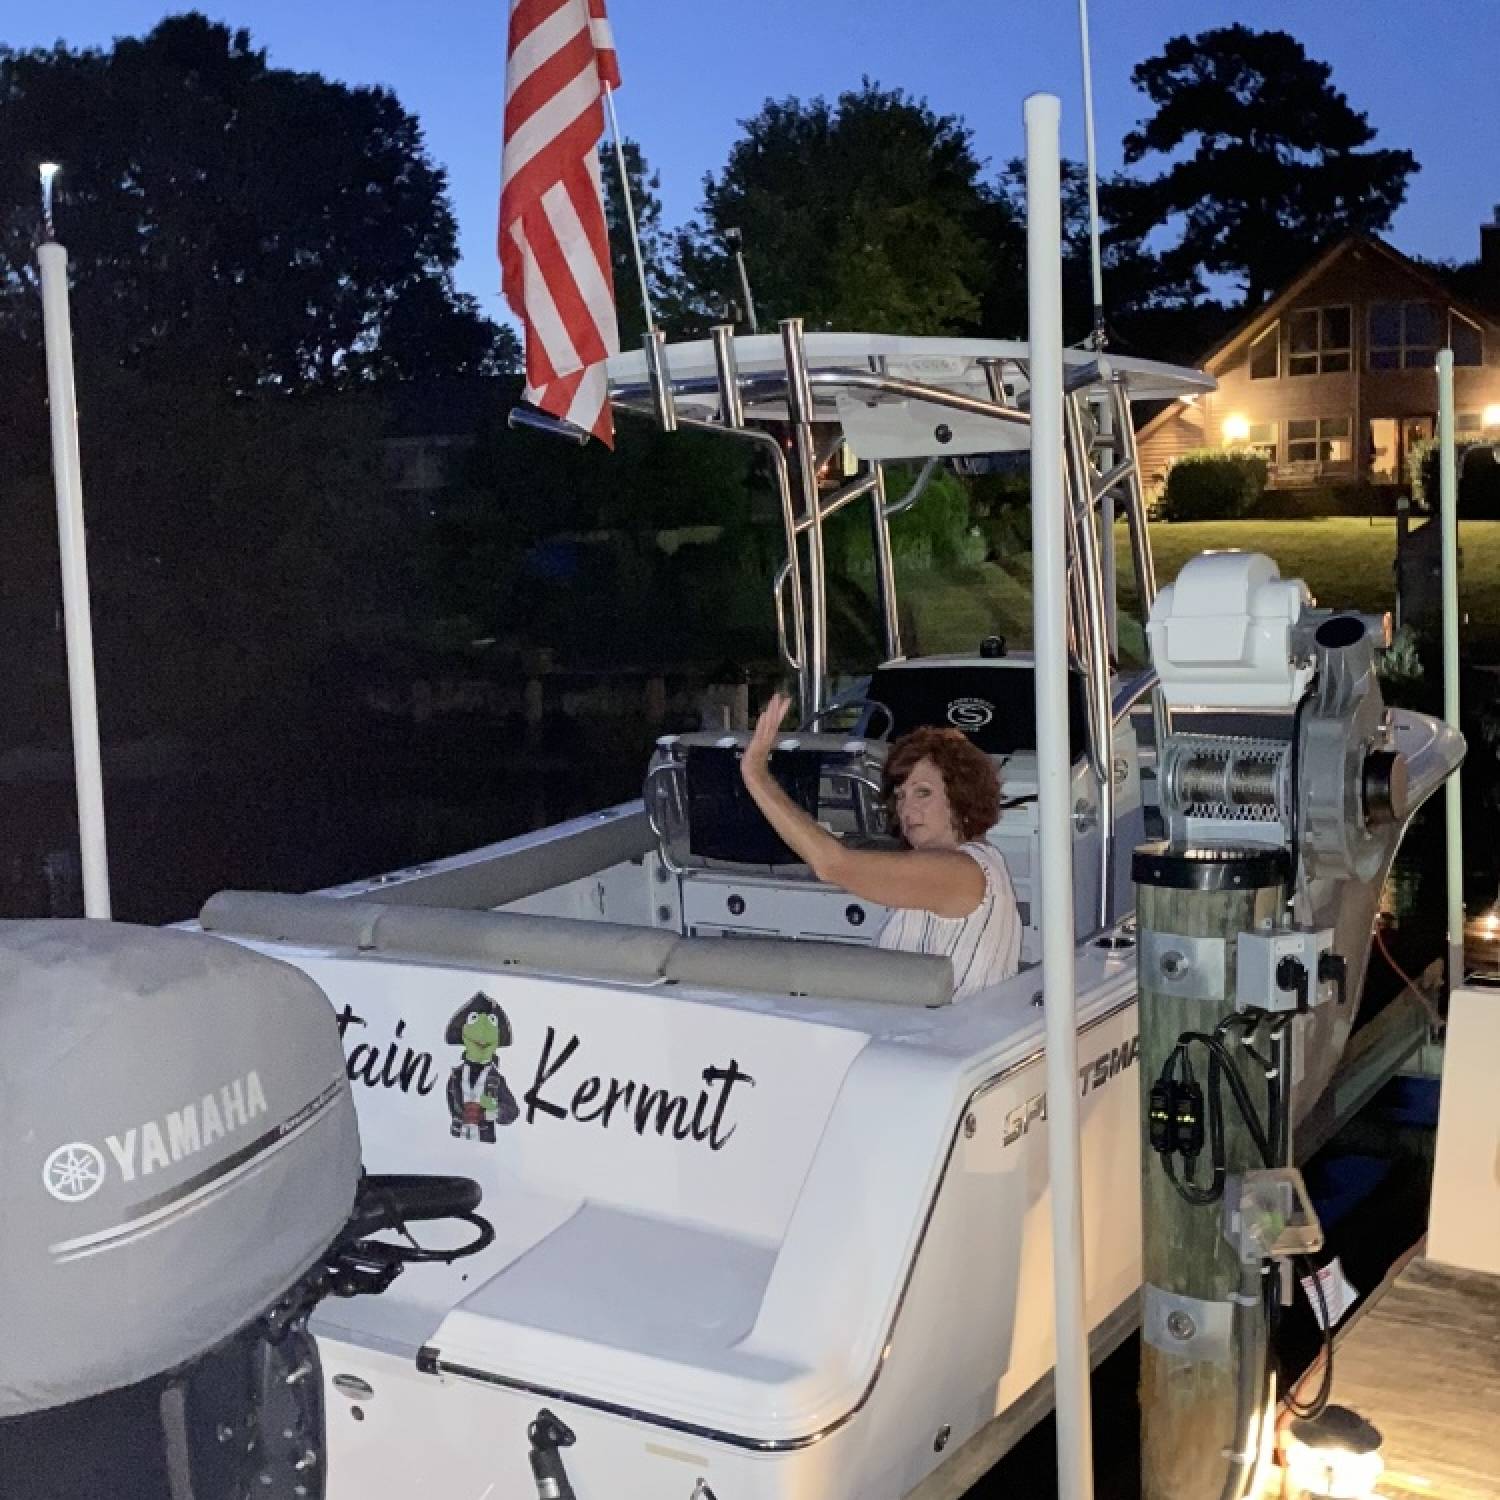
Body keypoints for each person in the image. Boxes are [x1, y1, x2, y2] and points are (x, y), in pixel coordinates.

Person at [738, 692, 1021, 999]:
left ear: (961, 795)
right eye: (900, 796)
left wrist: (755, 775)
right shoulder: (960, 864)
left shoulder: (963, 872)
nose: (907, 809)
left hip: (942, 1041)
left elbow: (833, 864)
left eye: (923, 792)